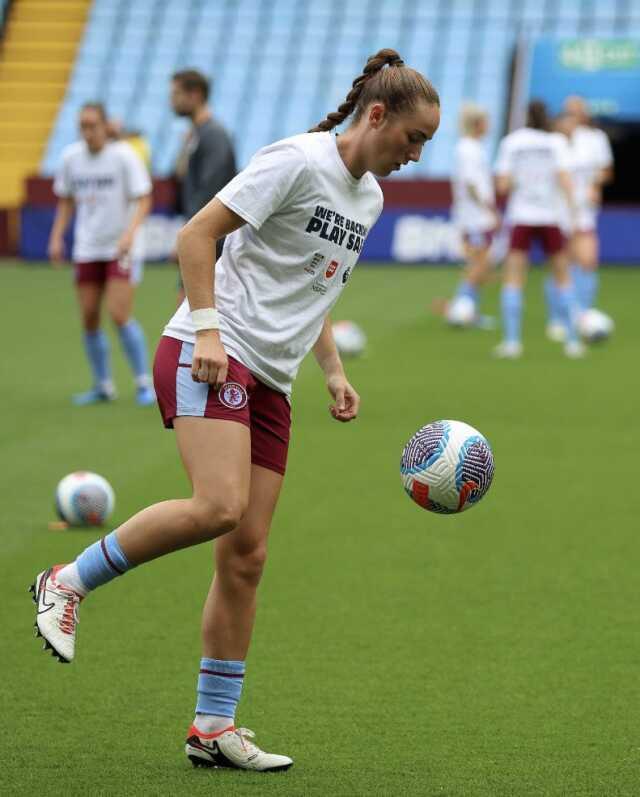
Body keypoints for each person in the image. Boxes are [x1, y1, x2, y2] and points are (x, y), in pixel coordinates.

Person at [31, 49, 441, 772]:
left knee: (246, 555)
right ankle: (67, 581)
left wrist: (334, 369)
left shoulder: (368, 199)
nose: (416, 154)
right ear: (376, 115)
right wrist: (212, 329)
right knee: (219, 505)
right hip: (207, 350)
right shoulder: (295, 161)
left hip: (271, 381)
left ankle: (213, 726)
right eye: (413, 138)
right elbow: (195, 235)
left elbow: (313, 288)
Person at [48, 102, 155, 405]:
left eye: (92, 125)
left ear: (105, 126)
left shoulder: (123, 156)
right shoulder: (71, 158)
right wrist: (57, 237)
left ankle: (142, 382)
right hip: (87, 247)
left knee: (119, 314)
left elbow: (144, 198)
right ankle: (103, 385)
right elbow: (66, 200)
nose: (87, 132)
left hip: (119, 247)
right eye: (82, 126)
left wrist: (129, 234)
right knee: (89, 316)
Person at [493, 99, 582, 359]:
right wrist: (574, 217)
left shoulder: (512, 142)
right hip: (551, 217)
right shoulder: (557, 143)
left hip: (522, 215)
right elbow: (566, 181)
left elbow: (502, 186)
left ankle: (512, 343)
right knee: (563, 278)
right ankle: (573, 342)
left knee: (513, 279)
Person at [545, 96, 614, 340]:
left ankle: (582, 314)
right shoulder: (553, 142)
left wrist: (595, 184)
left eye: (577, 112)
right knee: (562, 263)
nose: (572, 118)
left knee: (588, 260)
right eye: (568, 113)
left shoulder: (595, 139)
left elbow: (606, 171)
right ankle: (557, 318)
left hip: (584, 209)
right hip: (557, 210)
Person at [170, 69, 237, 303]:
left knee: (191, 315)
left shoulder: (214, 135)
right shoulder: (197, 135)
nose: (172, 100)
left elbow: (211, 190)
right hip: (202, 236)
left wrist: (190, 234)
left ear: (195, 94)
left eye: (177, 93)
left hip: (210, 240)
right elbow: (179, 176)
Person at [444, 102, 498, 328]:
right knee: (479, 264)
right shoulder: (467, 148)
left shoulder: (473, 147)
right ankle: (462, 308)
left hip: (476, 216)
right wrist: (489, 209)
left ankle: (468, 310)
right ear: (478, 124)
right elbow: (471, 184)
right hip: (473, 217)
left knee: (480, 263)